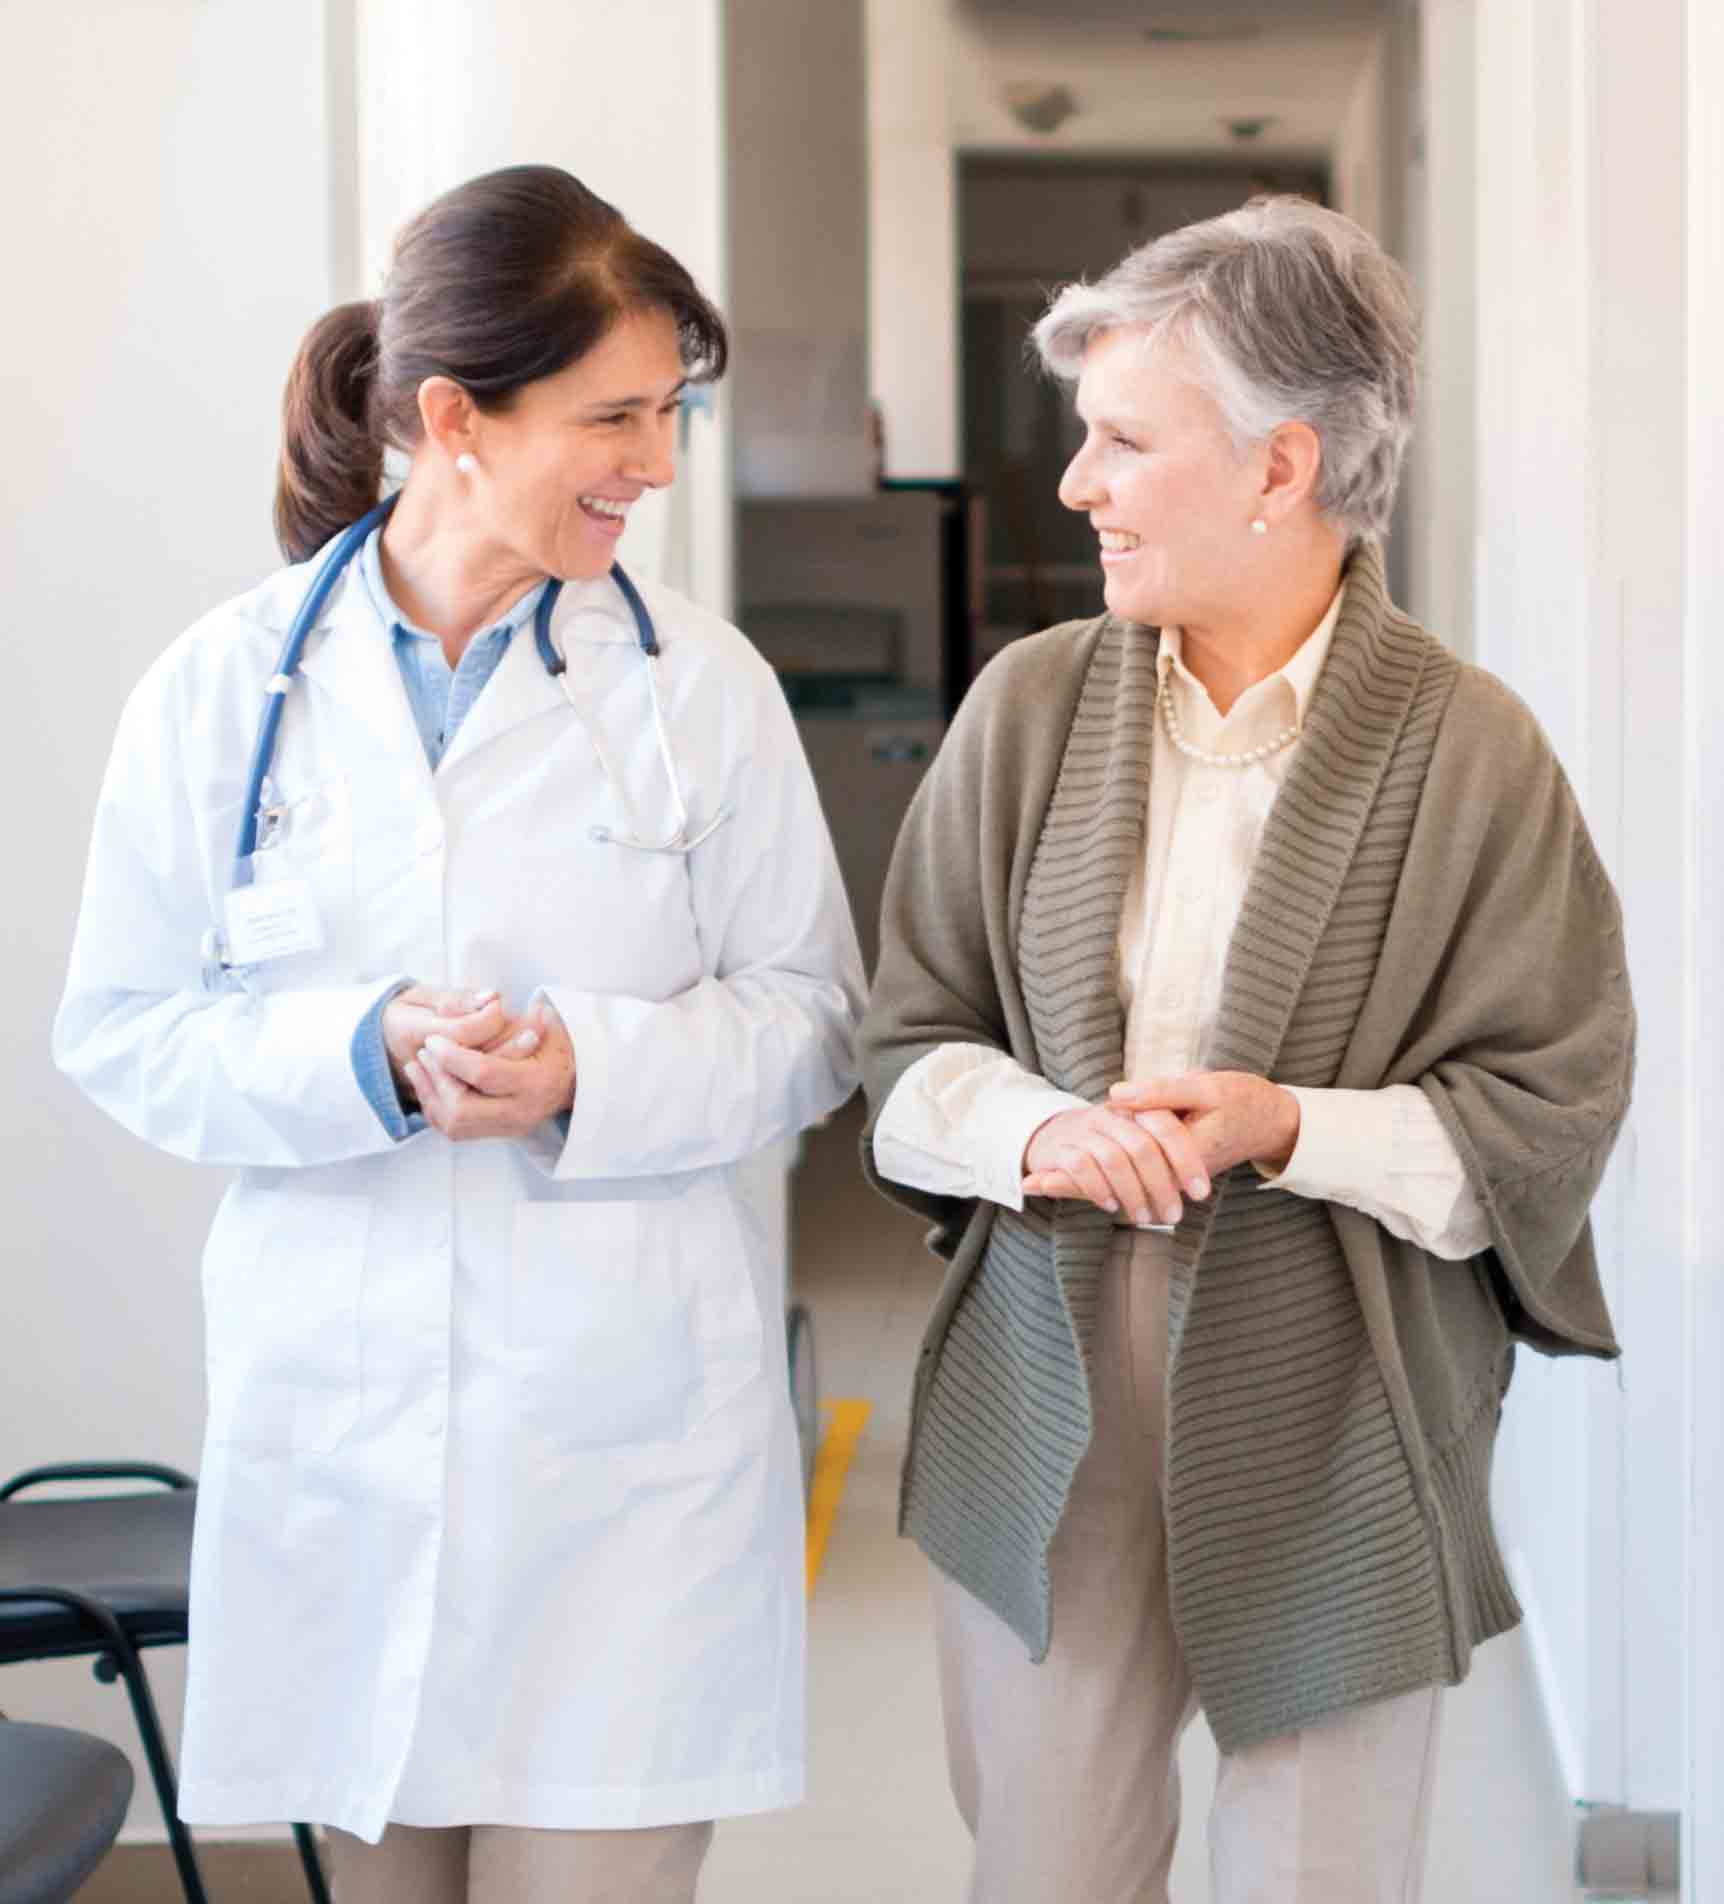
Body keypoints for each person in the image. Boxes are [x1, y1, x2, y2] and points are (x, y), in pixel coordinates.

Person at [54, 164, 863, 1904]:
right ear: (452, 418)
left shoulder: (700, 687)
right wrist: (358, 1055)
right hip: (343, 1457)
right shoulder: (228, 686)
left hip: (622, 1458)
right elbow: (122, 1027)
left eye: (672, 414)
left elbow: (810, 1024)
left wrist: (592, 1068)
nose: (655, 462)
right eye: (615, 415)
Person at [860, 197, 1633, 1904]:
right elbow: (903, 1049)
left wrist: (1291, 1127)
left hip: (1340, 1385)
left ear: (1280, 468)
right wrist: (1037, 1136)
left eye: (1124, 440)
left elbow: (1550, 1114)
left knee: (1320, 1877)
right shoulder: (1031, 708)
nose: (1078, 486)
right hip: (1049, 1372)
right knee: (1045, 1864)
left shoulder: (1474, 753)